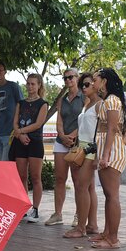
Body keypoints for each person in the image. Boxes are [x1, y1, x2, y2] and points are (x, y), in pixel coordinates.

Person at [90, 68, 126, 250]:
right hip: (108, 149)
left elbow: (112, 129)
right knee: (108, 195)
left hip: (112, 151)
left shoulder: (112, 100)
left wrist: (105, 156)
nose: (93, 82)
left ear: (104, 81)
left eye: (96, 79)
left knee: (112, 195)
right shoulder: (107, 101)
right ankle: (107, 233)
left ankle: (113, 239)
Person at [45, 68, 84, 227]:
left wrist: (73, 136)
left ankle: (79, 215)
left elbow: (85, 121)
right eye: (65, 78)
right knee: (60, 178)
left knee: (77, 180)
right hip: (62, 141)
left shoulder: (84, 97)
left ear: (77, 78)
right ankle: (58, 213)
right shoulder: (62, 100)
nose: (68, 81)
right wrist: (61, 136)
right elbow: (59, 121)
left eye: (71, 77)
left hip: (78, 141)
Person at [63, 73, 99, 238]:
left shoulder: (100, 104)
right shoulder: (87, 104)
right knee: (88, 187)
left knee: (81, 187)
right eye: (82, 85)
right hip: (82, 147)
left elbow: (105, 130)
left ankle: (81, 228)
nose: (83, 88)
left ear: (95, 84)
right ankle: (91, 225)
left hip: (91, 148)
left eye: (87, 84)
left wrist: (99, 153)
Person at [10, 74, 48, 223]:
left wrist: (21, 131)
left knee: (35, 177)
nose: (30, 87)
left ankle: (36, 209)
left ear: (39, 85)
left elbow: (38, 124)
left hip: (35, 142)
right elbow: (15, 123)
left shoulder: (43, 104)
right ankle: (24, 207)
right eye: (28, 84)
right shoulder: (20, 103)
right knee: (21, 176)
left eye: (33, 84)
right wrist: (19, 135)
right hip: (20, 141)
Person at [0, 61, 23, 161]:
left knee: (5, 161)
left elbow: (21, 105)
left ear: (5, 72)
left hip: (10, 131)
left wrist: (18, 128)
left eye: (0, 70)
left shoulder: (13, 86)